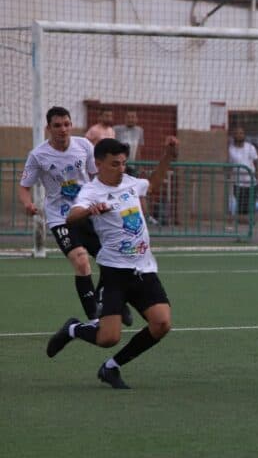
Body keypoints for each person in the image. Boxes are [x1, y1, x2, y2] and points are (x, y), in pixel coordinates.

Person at [45, 136, 179, 389]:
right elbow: (72, 215)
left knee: (162, 323)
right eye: (114, 164)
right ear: (98, 164)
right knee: (108, 338)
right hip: (115, 273)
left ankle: (111, 368)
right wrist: (89, 210)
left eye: (123, 163)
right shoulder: (91, 191)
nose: (121, 169)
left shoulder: (129, 182)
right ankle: (73, 329)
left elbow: (153, 185)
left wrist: (168, 156)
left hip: (143, 268)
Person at [19, 106, 132, 326]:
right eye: (57, 125)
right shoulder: (38, 155)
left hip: (87, 212)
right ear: (49, 128)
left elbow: (95, 176)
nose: (63, 129)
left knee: (114, 260)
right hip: (61, 218)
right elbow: (24, 186)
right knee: (81, 262)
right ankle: (94, 318)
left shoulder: (84, 146)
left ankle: (115, 303)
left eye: (67, 124)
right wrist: (28, 204)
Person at [227, 126, 258, 224]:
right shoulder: (230, 149)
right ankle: (241, 226)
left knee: (250, 205)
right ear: (234, 136)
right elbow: (229, 164)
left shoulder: (250, 147)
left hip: (251, 182)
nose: (239, 135)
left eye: (241, 133)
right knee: (240, 204)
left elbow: (256, 163)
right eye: (237, 133)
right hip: (238, 182)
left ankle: (250, 224)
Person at [114, 110, 145, 174]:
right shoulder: (117, 129)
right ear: (125, 118)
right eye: (128, 117)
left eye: (133, 117)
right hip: (119, 165)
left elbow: (138, 150)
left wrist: (139, 166)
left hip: (132, 165)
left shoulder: (139, 130)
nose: (130, 119)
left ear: (136, 119)